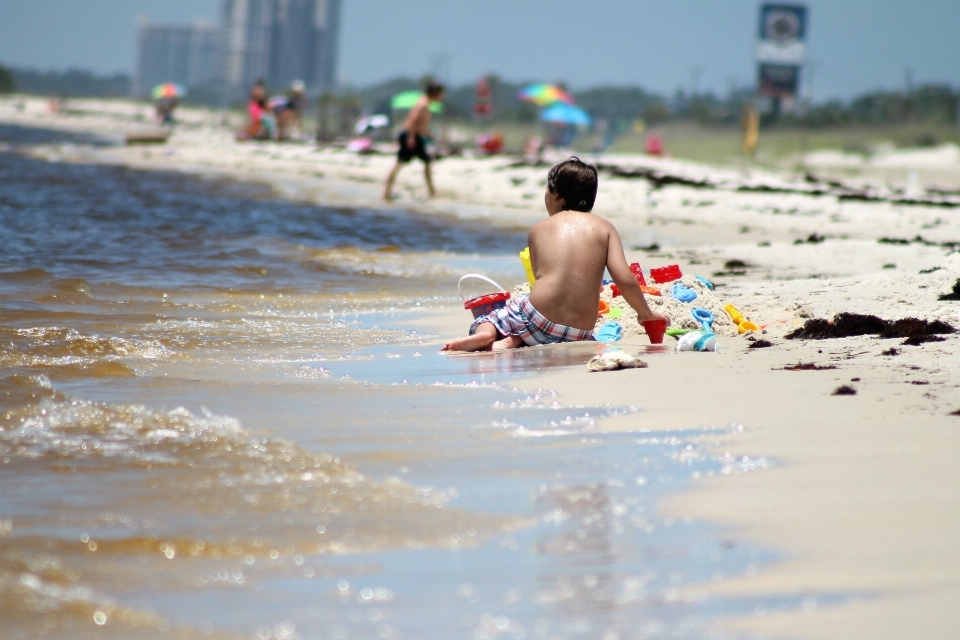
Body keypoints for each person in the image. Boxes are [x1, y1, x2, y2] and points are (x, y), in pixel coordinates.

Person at [442, 157, 668, 352]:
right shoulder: (605, 227)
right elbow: (625, 279)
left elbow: (538, 280)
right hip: (580, 332)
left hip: (537, 321)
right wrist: (645, 314)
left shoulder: (539, 228)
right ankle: (514, 339)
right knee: (534, 320)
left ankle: (488, 335)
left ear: (557, 195)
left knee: (497, 315)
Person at [383, 82, 445, 201]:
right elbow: (412, 120)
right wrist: (411, 138)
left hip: (415, 136)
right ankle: (386, 193)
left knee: (424, 161)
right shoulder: (422, 104)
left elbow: (420, 123)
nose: (441, 97)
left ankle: (432, 191)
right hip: (411, 136)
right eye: (441, 95)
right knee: (401, 162)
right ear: (435, 94)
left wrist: (428, 133)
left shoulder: (425, 103)